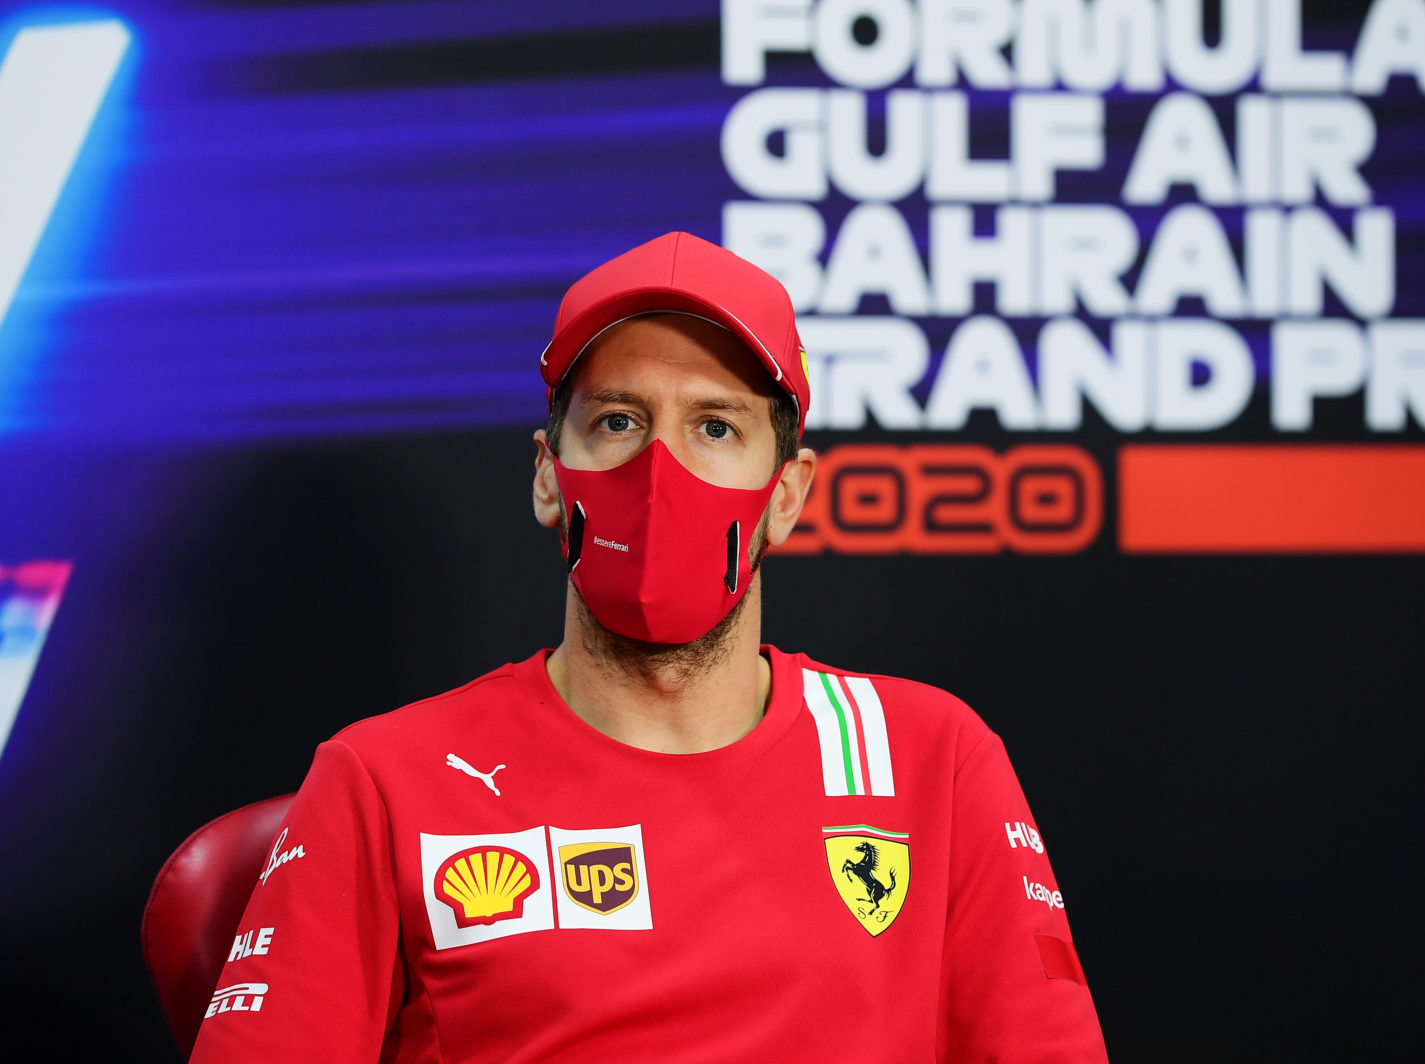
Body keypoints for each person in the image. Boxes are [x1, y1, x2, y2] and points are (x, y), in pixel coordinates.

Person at [189, 231, 1106, 1063]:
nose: (660, 470)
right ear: (550, 476)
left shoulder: (930, 760)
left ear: (786, 494)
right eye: (619, 421)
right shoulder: (384, 779)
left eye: (716, 426)